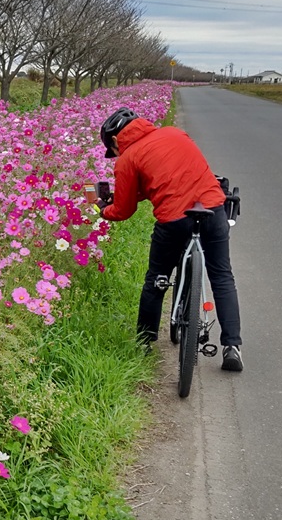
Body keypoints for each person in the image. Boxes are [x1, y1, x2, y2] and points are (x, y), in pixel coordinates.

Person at [95, 107, 243, 371]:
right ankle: (232, 347)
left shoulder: (127, 159)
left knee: (157, 278)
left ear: (116, 141)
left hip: (175, 219)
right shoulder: (175, 133)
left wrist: (102, 209)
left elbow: (123, 210)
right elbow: (171, 176)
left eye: (113, 151)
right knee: (222, 276)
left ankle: (144, 341)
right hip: (213, 209)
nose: (115, 155)